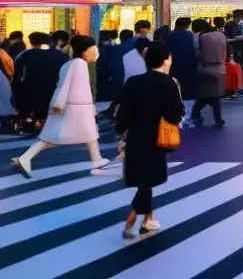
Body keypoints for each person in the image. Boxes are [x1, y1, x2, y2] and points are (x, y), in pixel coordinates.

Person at [116, 40, 185, 238]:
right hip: (157, 136)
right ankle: (133, 216)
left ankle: (148, 220)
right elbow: (175, 114)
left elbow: (124, 113)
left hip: (136, 135)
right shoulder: (169, 83)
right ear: (166, 59)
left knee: (143, 178)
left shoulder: (133, 82)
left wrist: (121, 134)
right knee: (149, 179)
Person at [12, 35, 107, 177]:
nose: (95, 53)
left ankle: (97, 159)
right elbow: (67, 86)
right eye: (92, 50)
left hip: (75, 106)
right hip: (76, 107)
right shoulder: (79, 64)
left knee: (86, 134)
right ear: (84, 51)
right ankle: (26, 157)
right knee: (59, 136)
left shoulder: (71, 63)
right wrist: (60, 104)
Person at [192, 20, 227, 128]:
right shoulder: (221, 35)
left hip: (205, 68)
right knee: (216, 96)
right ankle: (218, 119)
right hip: (220, 68)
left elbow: (198, 53)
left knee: (204, 95)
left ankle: (195, 114)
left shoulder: (200, 37)